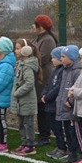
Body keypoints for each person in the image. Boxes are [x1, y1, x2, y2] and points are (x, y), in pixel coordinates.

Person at [11, 39, 41, 155]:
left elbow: (29, 83)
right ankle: (24, 143)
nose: (15, 51)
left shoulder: (28, 66)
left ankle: (30, 145)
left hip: (26, 100)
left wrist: (17, 92)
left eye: (18, 48)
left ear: (25, 50)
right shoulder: (20, 64)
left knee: (27, 124)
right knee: (21, 123)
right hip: (21, 101)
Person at [31, 14, 57, 147]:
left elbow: (43, 58)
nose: (32, 26)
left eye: (35, 24)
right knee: (40, 107)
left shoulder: (48, 40)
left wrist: (28, 62)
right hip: (37, 76)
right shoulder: (39, 38)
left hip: (43, 77)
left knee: (43, 107)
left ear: (40, 27)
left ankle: (45, 136)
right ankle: (43, 134)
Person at [56, 45, 82, 163]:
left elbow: (77, 88)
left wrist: (70, 102)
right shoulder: (65, 70)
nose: (61, 59)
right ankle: (71, 154)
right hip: (64, 108)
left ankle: (80, 154)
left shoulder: (77, 71)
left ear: (71, 57)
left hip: (71, 110)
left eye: (63, 56)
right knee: (67, 132)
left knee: (74, 133)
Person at [41, 46, 68, 158]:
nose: (52, 60)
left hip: (56, 103)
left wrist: (48, 97)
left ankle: (63, 148)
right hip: (50, 104)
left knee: (58, 127)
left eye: (53, 58)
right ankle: (59, 146)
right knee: (54, 127)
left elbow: (58, 87)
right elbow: (48, 84)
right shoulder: (54, 70)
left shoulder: (63, 71)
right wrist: (44, 94)